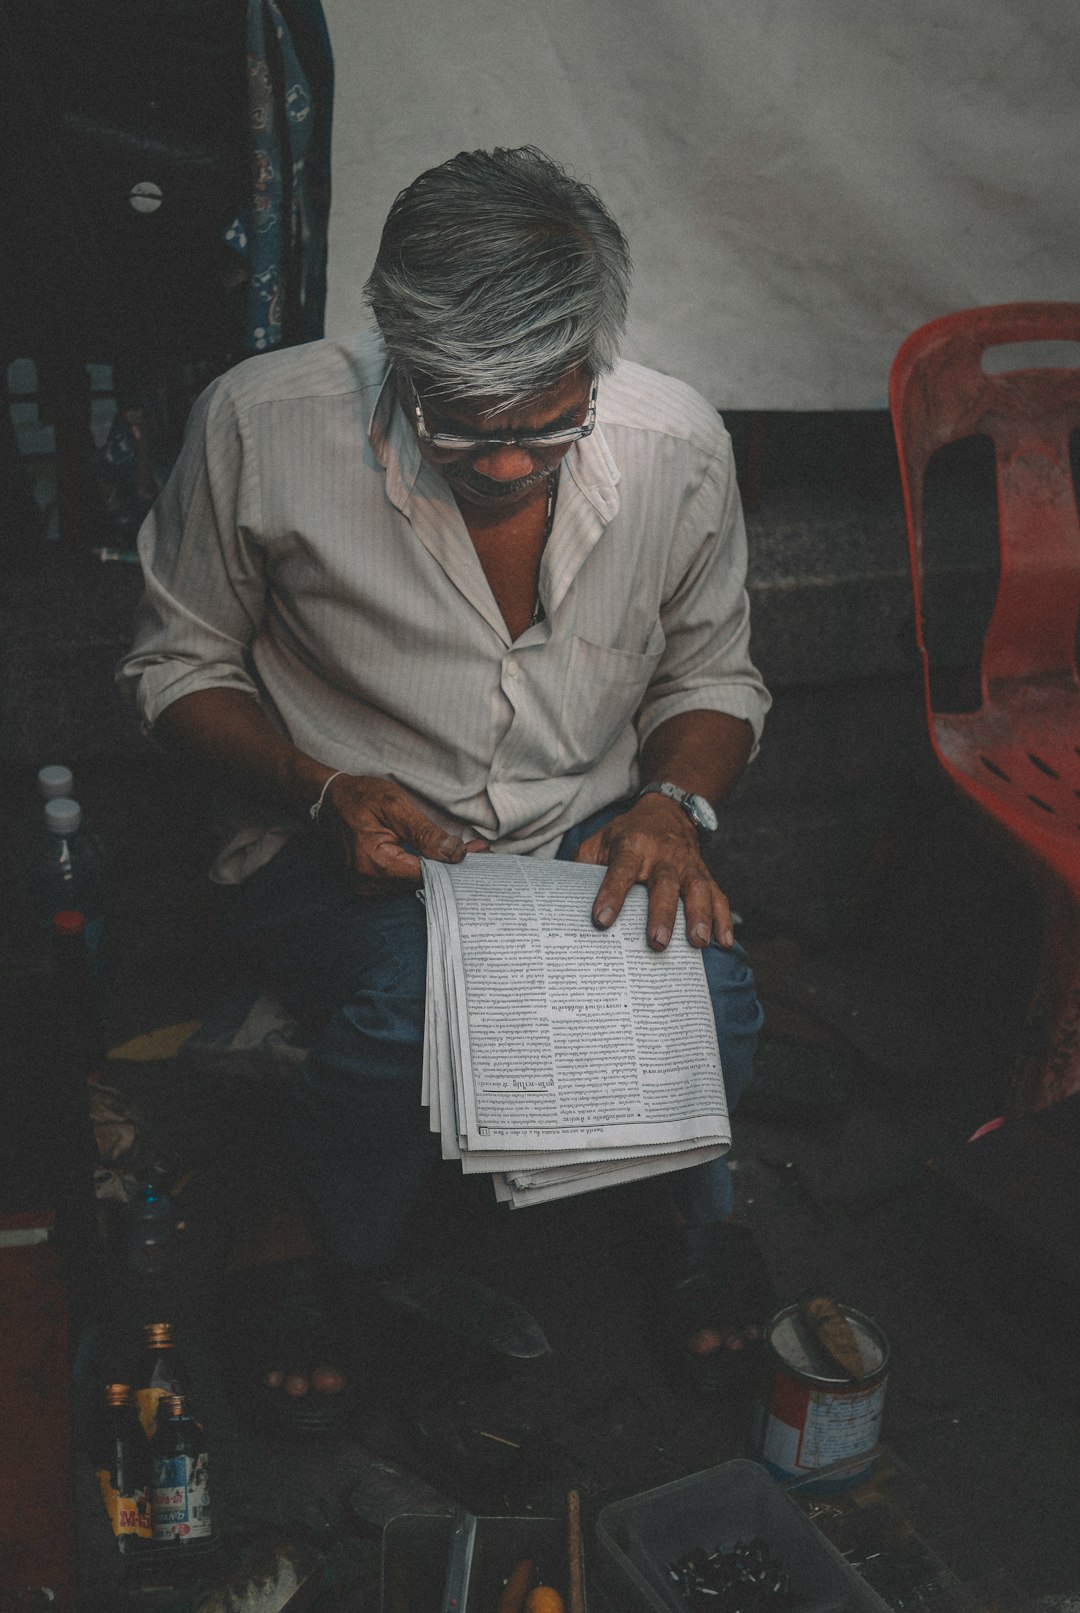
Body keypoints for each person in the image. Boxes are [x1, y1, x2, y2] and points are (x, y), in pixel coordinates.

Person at [118, 145, 773, 1424]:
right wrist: (321, 786)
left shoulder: (676, 446)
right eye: (459, 423)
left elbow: (716, 676)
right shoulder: (264, 422)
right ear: (394, 348)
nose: (511, 464)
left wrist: (670, 804)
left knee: (714, 997)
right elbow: (173, 664)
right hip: (335, 838)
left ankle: (683, 1212)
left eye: (546, 422)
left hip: (583, 826)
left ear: (596, 355)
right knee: (420, 1010)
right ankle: (310, 1230)